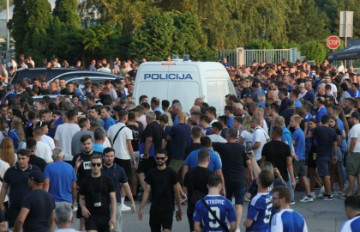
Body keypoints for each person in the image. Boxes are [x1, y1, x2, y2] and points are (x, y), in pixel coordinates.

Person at [213, 128, 252, 231]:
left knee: (227, 201)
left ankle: (227, 223)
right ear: (236, 136)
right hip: (240, 178)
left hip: (227, 179)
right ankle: (237, 227)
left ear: (228, 135)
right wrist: (250, 175)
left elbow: (209, 143)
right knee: (239, 203)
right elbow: (248, 163)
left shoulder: (223, 146)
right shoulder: (241, 148)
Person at [138, 149, 182, 232]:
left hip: (168, 209)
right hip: (155, 209)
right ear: (155, 158)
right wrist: (141, 208)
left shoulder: (172, 173)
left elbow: (177, 193)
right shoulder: (151, 173)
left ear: (166, 158)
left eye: (162, 158)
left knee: (167, 230)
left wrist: (179, 209)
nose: (159, 160)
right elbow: (147, 191)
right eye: (157, 158)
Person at [0, 149, 40, 230]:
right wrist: (1, 204)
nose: (21, 161)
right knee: (12, 228)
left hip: (30, 206)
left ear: (28, 158)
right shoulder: (11, 171)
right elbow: (4, 187)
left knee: (30, 228)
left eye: (23, 158)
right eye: (19, 159)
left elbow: (41, 186)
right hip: (15, 206)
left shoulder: (35, 170)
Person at [79, 154, 117, 232]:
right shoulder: (85, 181)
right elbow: (81, 198)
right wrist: (83, 208)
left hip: (105, 215)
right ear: (90, 165)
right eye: (93, 164)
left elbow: (113, 199)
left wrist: (113, 216)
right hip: (91, 216)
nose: (96, 166)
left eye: (98, 164)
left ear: (101, 165)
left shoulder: (108, 180)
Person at [102, 147, 136, 232]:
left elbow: (126, 186)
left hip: (116, 202)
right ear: (103, 156)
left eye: (111, 156)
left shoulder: (120, 169)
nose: (109, 158)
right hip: (102, 203)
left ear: (114, 156)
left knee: (116, 228)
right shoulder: (99, 168)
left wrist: (132, 202)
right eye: (107, 156)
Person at [107, 110, 135, 211]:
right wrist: (133, 159)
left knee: (114, 179)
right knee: (124, 180)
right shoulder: (127, 130)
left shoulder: (111, 128)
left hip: (113, 156)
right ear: (126, 117)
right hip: (124, 156)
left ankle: (112, 200)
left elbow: (109, 142)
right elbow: (129, 146)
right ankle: (121, 202)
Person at [261, 126, 296, 204]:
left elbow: (263, 162)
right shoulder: (286, 147)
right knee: (283, 200)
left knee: (270, 200)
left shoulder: (267, 146)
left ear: (273, 133)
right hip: (283, 176)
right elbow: (289, 164)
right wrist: (293, 179)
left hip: (269, 176)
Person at [183, 149, 212, 232]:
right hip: (207, 206)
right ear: (208, 159)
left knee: (193, 229)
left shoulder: (189, 173)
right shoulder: (211, 174)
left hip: (192, 206)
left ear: (197, 159)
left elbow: (185, 190)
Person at [312, 115, 337, 200]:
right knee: (324, 174)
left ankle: (329, 194)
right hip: (329, 154)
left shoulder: (318, 129)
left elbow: (311, 135)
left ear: (321, 121)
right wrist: (335, 155)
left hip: (321, 154)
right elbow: (335, 144)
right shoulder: (332, 131)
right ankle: (327, 192)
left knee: (325, 175)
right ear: (328, 121)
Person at [346, 111, 360, 197]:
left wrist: (349, 152)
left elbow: (354, 141)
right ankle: (359, 192)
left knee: (351, 173)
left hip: (354, 153)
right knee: (359, 173)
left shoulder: (355, 128)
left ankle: (350, 192)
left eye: (350, 118)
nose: (349, 119)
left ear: (354, 118)